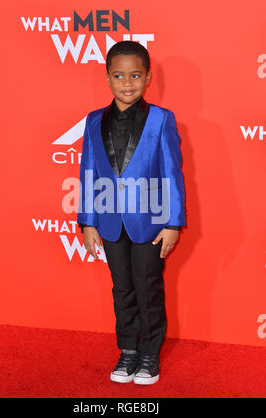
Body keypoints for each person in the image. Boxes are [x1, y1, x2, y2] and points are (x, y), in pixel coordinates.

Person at [77, 41, 186, 385]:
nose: (127, 83)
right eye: (119, 75)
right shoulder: (94, 121)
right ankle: (128, 350)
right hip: (108, 219)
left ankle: (150, 353)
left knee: (147, 286)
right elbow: (88, 172)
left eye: (135, 75)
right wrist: (88, 221)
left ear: (148, 77)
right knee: (121, 287)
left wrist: (172, 222)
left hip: (150, 222)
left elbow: (172, 172)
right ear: (107, 78)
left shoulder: (161, 119)